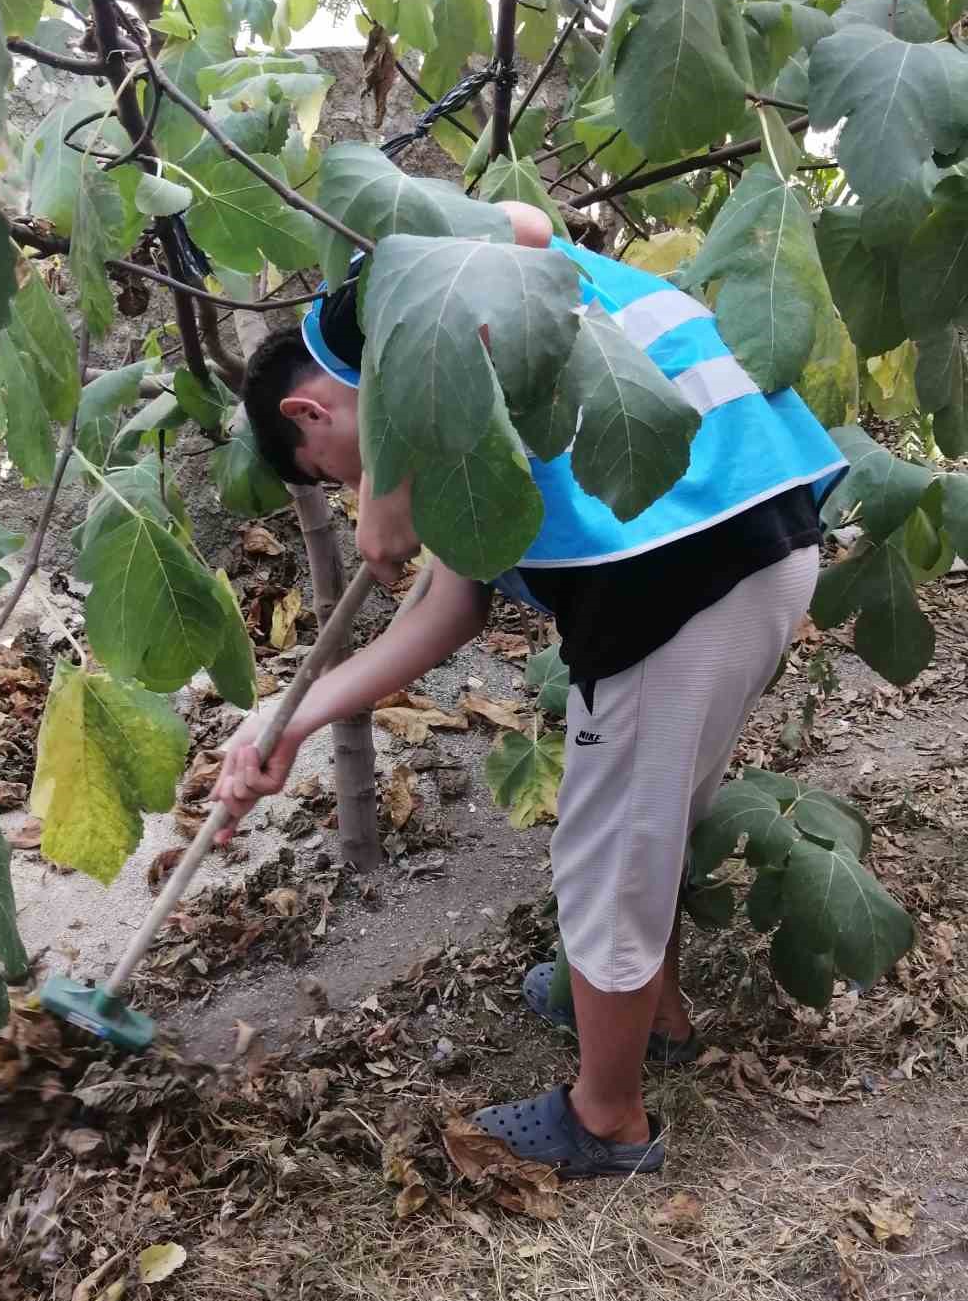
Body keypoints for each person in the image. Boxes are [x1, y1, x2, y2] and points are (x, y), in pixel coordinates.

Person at [212, 202, 847, 1178]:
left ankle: (606, 1119)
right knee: (647, 821)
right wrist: (289, 718)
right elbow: (449, 609)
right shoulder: (449, 380)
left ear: (312, 413)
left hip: (687, 564)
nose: (348, 493)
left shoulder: (395, 299)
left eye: (331, 473)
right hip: (737, 548)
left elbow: (521, 224)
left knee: (604, 863)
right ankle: (653, 1018)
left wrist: (381, 479)